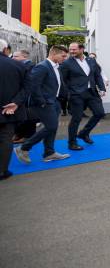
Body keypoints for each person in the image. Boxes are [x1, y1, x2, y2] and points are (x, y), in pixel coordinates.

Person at [15, 45, 71, 164]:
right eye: (63, 56)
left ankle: (49, 153)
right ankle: (24, 148)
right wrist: (42, 102)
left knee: (52, 128)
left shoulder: (56, 66)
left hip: (54, 102)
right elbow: (34, 86)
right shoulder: (42, 66)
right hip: (44, 103)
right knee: (51, 127)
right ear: (54, 54)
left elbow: (57, 84)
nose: (65, 58)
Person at [59, 43, 107, 150]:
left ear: (81, 49)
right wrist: (69, 92)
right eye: (70, 49)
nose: (71, 51)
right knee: (76, 118)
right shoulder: (66, 63)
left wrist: (102, 88)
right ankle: (72, 143)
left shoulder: (91, 60)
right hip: (76, 95)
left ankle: (84, 133)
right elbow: (62, 80)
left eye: (74, 49)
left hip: (92, 92)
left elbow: (97, 75)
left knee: (99, 113)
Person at [0, 40, 29, 180]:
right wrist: (16, 102)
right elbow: (28, 87)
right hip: (8, 111)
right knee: (5, 139)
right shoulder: (18, 65)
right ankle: (2, 171)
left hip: (9, 109)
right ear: (6, 49)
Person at [11, 50, 36, 143]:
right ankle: (19, 135)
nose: (13, 58)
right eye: (13, 56)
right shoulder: (20, 65)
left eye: (16, 56)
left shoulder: (30, 66)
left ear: (24, 57)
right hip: (21, 95)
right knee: (21, 117)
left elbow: (29, 83)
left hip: (28, 97)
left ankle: (27, 136)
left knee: (28, 117)